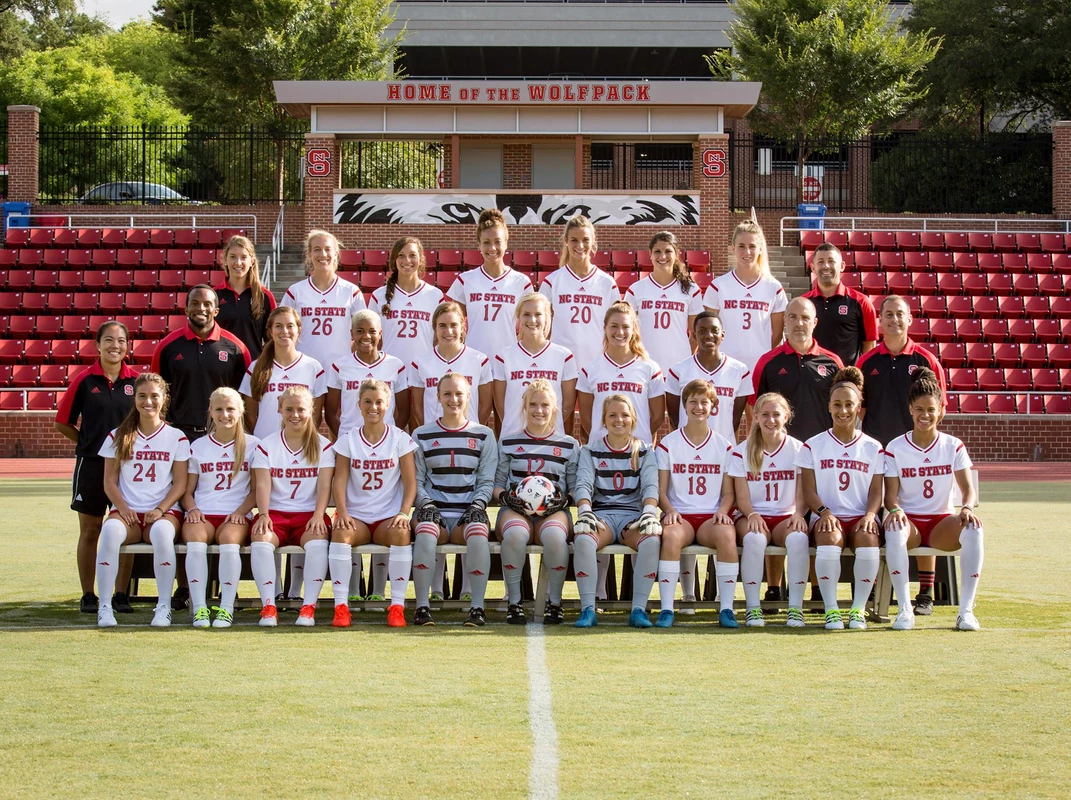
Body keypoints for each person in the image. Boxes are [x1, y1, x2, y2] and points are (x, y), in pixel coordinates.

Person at [857, 294, 947, 614]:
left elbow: (939, 407)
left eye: (900, 314)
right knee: (878, 520)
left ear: (910, 319)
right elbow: (859, 409)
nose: (894, 319)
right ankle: (870, 592)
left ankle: (925, 592)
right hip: (877, 456)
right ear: (878, 321)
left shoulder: (925, 360)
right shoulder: (867, 362)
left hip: (913, 455)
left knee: (922, 513)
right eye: (888, 314)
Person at [883, 367, 983, 632]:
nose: (925, 415)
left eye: (930, 410)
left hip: (941, 523)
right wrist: (894, 509)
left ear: (940, 409)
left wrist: (967, 508)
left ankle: (966, 612)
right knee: (893, 528)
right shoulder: (895, 447)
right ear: (910, 410)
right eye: (919, 410)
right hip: (911, 523)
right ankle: (905, 610)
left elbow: (967, 489)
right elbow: (890, 495)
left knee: (974, 528)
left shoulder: (953, 445)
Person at [55, 320, 139, 615]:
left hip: (127, 469)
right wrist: (89, 443)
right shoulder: (84, 380)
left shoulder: (136, 382)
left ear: (128, 346)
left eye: (121, 341)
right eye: (109, 340)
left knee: (127, 527)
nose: (115, 346)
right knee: (91, 531)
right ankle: (88, 594)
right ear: (98, 344)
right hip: (91, 465)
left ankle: (120, 594)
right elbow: (62, 422)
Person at [95, 373, 190, 628]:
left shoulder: (176, 437)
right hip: (128, 513)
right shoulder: (118, 435)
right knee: (110, 532)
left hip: (163, 512)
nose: (148, 402)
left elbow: (180, 483)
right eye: (142, 396)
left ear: (164, 399)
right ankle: (104, 606)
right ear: (134, 398)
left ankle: (163, 606)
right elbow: (109, 482)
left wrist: (160, 509)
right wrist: (124, 509)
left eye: (154, 396)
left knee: (161, 535)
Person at [795, 367, 884, 631]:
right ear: (829, 407)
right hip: (826, 516)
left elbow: (876, 492)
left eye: (849, 405)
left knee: (869, 537)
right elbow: (808, 491)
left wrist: (870, 515)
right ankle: (832, 610)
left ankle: (857, 609)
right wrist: (824, 512)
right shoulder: (812, 445)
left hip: (859, 516)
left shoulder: (873, 446)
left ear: (859, 408)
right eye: (837, 405)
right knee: (828, 537)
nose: (843, 411)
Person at [410, 372, 498, 626]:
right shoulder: (421, 435)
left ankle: (477, 607)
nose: (453, 399)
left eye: (459, 393)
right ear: (437, 397)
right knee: (425, 531)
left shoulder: (484, 435)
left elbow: (486, 480)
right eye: (447, 393)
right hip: (433, 512)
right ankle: (422, 607)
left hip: (466, 513)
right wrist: (426, 504)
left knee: (479, 533)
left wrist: (478, 505)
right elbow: (416, 480)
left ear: (469, 396)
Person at [329, 379, 417, 629]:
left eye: (379, 402)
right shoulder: (348, 439)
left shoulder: (400, 438)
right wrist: (342, 512)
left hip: (387, 517)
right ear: (359, 404)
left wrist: (403, 512)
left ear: (388, 404)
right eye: (368, 401)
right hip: (357, 516)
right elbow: (340, 480)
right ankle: (341, 606)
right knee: (340, 531)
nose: (373, 407)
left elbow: (411, 483)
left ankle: (397, 606)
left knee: (402, 532)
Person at [572, 394, 662, 629]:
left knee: (651, 540)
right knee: (583, 539)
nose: (618, 419)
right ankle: (588, 609)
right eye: (612, 415)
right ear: (603, 420)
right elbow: (583, 483)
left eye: (624, 415)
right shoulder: (590, 450)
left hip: (632, 517)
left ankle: (638, 610)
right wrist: (584, 511)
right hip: (601, 516)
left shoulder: (644, 451)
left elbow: (651, 485)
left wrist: (650, 512)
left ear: (633, 419)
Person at [493, 379, 579, 625]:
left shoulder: (569, 445)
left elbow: (575, 487)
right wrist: (507, 497)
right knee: (516, 535)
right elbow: (496, 484)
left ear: (554, 408)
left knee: (554, 536)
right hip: (515, 510)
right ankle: (514, 602)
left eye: (544, 405)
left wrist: (563, 501)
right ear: (524, 407)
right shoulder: (508, 442)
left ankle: (555, 602)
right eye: (533, 404)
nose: (538, 410)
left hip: (553, 512)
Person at [249, 386, 335, 628]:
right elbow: (263, 485)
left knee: (318, 540)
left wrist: (319, 514)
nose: (294, 415)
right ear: (279, 409)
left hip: (308, 514)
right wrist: (263, 514)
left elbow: (324, 486)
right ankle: (268, 607)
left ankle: (308, 607)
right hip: (275, 513)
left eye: (300, 409)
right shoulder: (267, 445)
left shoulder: (323, 445)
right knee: (260, 538)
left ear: (311, 411)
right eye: (289, 409)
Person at [655, 379, 736, 628]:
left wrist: (723, 511)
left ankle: (727, 609)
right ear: (684, 405)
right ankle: (667, 608)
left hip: (710, 516)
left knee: (726, 535)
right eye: (693, 401)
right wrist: (669, 511)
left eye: (704, 401)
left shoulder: (724, 445)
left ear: (714, 406)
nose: (699, 407)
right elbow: (661, 489)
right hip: (681, 514)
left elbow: (729, 493)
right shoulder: (669, 444)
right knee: (670, 536)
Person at [726, 392, 807, 627]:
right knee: (754, 540)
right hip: (752, 514)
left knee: (799, 539)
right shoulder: (742, 450)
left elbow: (801, 492)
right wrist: (751, 514)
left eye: (776, 415)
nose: (771, 420)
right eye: (765, 415)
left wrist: (799, 514)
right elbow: (741, 496)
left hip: (785, 515)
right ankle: (753, 608)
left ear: (786, 416)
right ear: (755, 416)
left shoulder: (799, 449)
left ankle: (795, 609)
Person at [180, 388, 258, 628]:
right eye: (219, 409)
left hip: (236, 514)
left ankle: (226, 607)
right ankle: (200, 607)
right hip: (203, 513)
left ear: (241, 411)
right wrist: (192, 509)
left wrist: (239, 512)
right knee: (195, 540)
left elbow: (257, 491)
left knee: (229, 542)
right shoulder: (198, 446)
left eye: (231, 409)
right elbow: (187, 491)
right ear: (211, 413)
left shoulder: (254, 445)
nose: (225, 414)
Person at [152, 285, 251, 441]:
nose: (201, 308)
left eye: (207, 304)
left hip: (222, 433)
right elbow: (156, 391)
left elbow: (245, 396)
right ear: (186, 309)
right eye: (194, 303)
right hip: (179, 434)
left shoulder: (237, 348)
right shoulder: (167, 347)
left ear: (216, 311)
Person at [750, 296, 843, 445]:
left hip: (822, 450)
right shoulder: (767, 362)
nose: (799, 323)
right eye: (793, 317)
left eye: (805, 318)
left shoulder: (833, 363)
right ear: (785, 320)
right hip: (780, 452)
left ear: (815, 323)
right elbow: (753, 408)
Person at [447, 208, 533, 367]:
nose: (492, 248)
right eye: (486, 242)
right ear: (479, 244)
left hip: (509, 362)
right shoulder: (465, 280)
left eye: (497, 242)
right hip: (472, 362)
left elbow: (530, 326)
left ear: (506, 243)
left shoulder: (522, 282)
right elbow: (452, 324)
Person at [538, 215, 621, 379]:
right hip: (559, 362)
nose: (580, 245)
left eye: (585, 240)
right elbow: (541, 325)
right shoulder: (552, 281)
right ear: (566, 241)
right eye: (574, 240)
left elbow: (617, 324)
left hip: (597, 363)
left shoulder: (606, 283)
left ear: (593, 241)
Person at [703, 220, 787, 374]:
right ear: (733, 248)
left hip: (760, 367)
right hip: (724, 366)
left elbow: (777, 335)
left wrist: (760, 354)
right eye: (741, 246)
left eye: (752, 246)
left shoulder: (774, 288)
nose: (747, 252)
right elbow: (709, 329)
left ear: (761, 249)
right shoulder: (718, 286)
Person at [577, 300, 666, 446]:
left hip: (637, 452)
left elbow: (657, 417)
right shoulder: (589, 370)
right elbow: (586, 419)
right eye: (614, 326)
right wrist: (606, 441)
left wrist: (638, 438)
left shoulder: (650, 368)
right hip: (601, 452)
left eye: (625, 327)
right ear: (605, 327)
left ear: (633, 329)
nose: (620, 332)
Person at [280, 229, 365, 378]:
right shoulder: (295, 292)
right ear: (309, 254)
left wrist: (346, 353)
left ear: (336, 254)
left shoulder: (351, 291)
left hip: (340, 370)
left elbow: (364, 331)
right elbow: (281, 330)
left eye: (327, 249)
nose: (323, 254)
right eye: (317, 250)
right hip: (303, 369)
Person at [493, 292, 578, 439]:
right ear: (518, 317)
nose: (532, 320)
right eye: (526, 314)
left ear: (546, 318)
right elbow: (501, 406)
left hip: (552, 439)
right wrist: (515, 424)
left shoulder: (564, 356)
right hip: (513, 438)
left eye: (538, 314)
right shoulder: (503, 357)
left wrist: (545, 425)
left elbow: (568, 404)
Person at [239, 306, 327, 440]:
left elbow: (316, 415)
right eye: (278, 326)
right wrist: (263, 441)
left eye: (290, 326)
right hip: (264, 446)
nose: (284, 331)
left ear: (299, 330)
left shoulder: (313, 367)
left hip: (300, 445)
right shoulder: (256, 367)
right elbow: (249, 415)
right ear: (270, 331)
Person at [624, 231, 704, 373]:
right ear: (650, 254)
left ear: (676, 253)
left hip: (679, 367)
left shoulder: (691, 290)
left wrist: (685, 358)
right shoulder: (635, 290)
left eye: (668, 251)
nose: (662, 256)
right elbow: (628, 332)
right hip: (644, 366)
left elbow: (696, 334)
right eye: (657, 251)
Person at [666, 312, 750, 442]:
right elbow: (674, 418)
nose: (709, 335)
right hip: (687, 448)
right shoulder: (678, 371)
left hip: (724, 447)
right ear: (694, 335)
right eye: (702, 331)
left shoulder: (740, 371)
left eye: (714, 330)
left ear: (723, 335)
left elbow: (736, 418)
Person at [325, 309, 409, 440]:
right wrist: (344, 437)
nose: (366, 336)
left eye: (372, 331)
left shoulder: (395, 365)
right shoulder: (339, 366)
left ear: (380, 334)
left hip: (386, 443)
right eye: (360, 331)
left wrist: (390, 436)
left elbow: (404, 411)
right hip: (350, 442)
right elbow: (330, 412)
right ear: (352, 333)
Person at [408, 300, 493, 428]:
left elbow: (485, 406)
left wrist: (473, 430)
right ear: (434, 328)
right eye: (442, 325)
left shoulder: (479, 360)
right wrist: (431, 431)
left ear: (462, 327)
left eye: (454, 325)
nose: (448, 331)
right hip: (434, 440)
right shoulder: (420, 362)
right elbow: (418, 409)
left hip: (469, 438)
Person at [371, 236, 446, 378]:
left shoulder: (435, 295)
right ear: (394, 260)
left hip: (424, 371)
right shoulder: (378, 296)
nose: (407, 261)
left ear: (421, 259)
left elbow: (438, 338)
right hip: (389, 371)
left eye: (412, 255)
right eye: (401, 256)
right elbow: (375, 340)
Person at [803, 243, 877, 367]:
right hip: (812, 377)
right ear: (813, 267)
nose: (826, 266)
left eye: (831, 261)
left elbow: (869, 345)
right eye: (820, 262)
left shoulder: (861, 302)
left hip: (846, 380)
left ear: (842, 266)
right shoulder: (803, 303)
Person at [215, 235, 277, 360]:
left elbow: (272, 338)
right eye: (233, 257)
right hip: (221, 368)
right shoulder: (214, 295)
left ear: (252, 261)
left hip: (253, 368)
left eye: (243, 257)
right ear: (225, 260)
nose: (238, 263)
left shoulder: (264, 296)